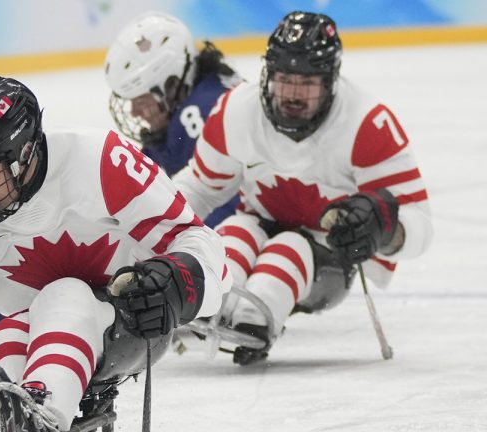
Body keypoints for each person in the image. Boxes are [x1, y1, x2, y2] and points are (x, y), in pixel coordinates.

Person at [0, 73, 228, 432]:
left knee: (66, 295)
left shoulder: (100, 161)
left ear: (24, 154)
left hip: (130, 324)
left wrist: (176, 282)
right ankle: (17, 417)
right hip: (30, 325)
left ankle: (44, 414)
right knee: (9, 333)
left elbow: (201, 244)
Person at [172, 11, 433, 365]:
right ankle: (213, 298)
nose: (294, 94)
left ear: (330, 82)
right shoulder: (236, 111)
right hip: (256, 223)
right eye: (285, 79)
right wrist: (149, 226)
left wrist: (384, 230)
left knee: (289, 245)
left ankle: (257, 318)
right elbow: (200, 187)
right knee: (233, 231)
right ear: (268, 75)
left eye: (307, 83)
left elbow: (419, 225)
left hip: (327, 255)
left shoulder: (367, 124)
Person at [104, 11, 243, 228]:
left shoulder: (200, 115)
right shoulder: (207, 87)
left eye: (141, 101)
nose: (133, 112)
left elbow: (229, 210)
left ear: (170, 85)